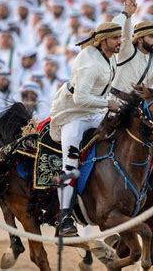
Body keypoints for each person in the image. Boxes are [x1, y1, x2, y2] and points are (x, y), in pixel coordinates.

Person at [49, 18, 124, 237]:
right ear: (103, 41)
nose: (120, 41)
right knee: (70, 163)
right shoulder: (91, 64)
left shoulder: (109, 56)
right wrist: (107, 103)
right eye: (115, 38)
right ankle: (64, 219)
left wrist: (126, 14)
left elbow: (116, 23)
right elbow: (81, 98)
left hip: (94, 112)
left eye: (120, 37)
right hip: (73, 115)